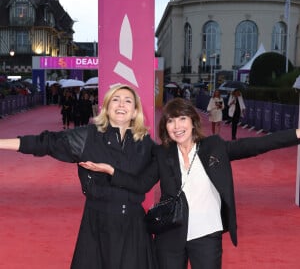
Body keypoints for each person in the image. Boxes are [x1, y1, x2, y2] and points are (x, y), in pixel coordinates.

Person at [80, 97, 300, 269]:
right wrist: (110, 170)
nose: (177, 126)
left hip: (207, 235)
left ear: (193, 122)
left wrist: (296, 134)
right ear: (165, 127)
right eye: (171, 121)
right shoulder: (163, 154)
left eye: (182, 119)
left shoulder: (214, 147)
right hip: (169, 236)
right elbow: (140, 184)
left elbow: (257, 145)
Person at [0, 84, 158, 269]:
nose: (121, 104)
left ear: (134, 112)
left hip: (134, 227)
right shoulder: (87, 137)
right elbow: (45, 143)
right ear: (106, 108)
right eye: (115, 99)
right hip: (97, 224)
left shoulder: (147, 145)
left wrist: (112, 172)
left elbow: (146, 182)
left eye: (128, 101)